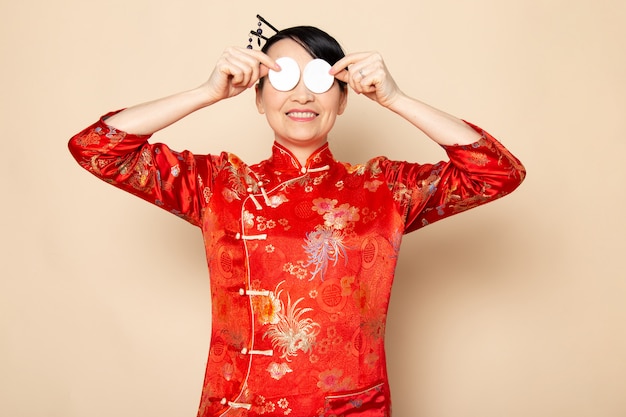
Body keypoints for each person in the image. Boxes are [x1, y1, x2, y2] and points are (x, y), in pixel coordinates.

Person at [68, 21, 525, 417]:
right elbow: (96, 148)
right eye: (284, 79)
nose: (303, 94)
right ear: (258, 97)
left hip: (353, 406)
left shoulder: (385, 188)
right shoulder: (219, 185)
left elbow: (499, 173)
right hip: (238, 404)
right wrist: (207, 93)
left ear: (344, 99)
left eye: (321, 81)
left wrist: (396, 98)